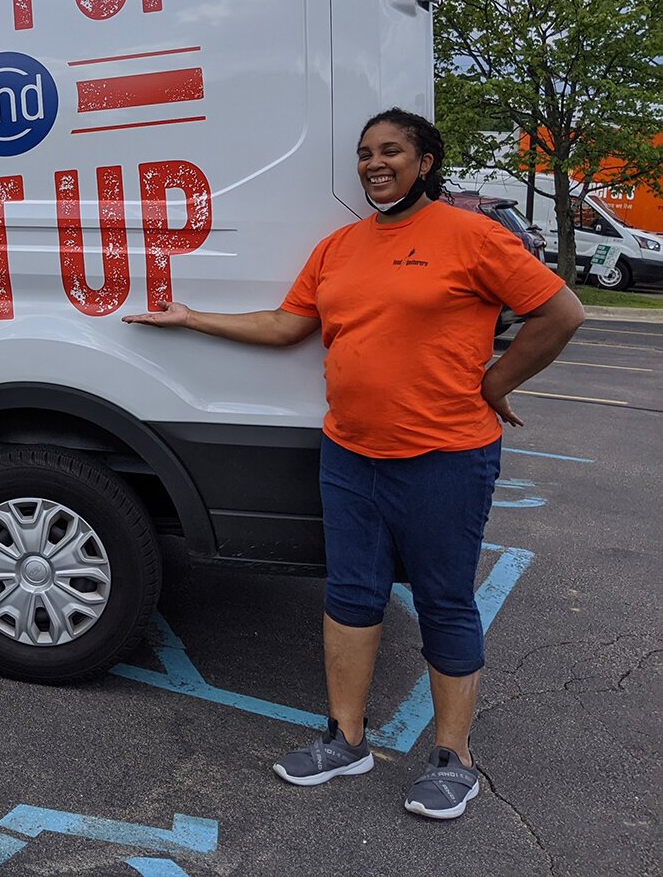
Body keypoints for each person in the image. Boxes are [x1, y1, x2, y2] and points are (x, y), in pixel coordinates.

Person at [124, 108, 583, 819]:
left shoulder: (472, 236)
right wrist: (192, 318)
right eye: (366, 153)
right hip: (350, 453)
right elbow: (287, 326)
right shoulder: (339, 246)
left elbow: (561, 312)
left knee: (445, 602)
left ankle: (453, 758)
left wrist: (496, 383)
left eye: (392, 150)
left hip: (445, 458)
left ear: (425, 162)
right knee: (350, 597)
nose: (375, 163)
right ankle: (345, 739)